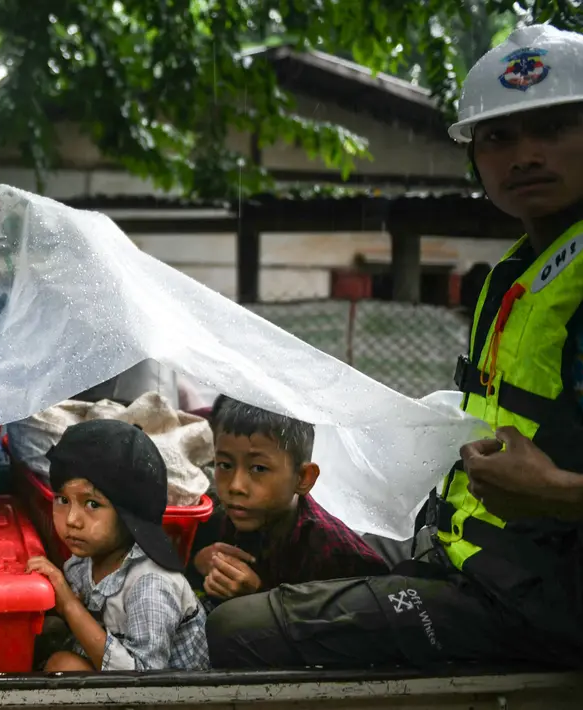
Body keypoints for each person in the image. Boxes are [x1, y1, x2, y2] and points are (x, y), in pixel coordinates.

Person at [207, 23, 583, 670]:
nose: (523, 154)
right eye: (497, 137)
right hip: (474, 559)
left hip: (538, 603)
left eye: (552, 129)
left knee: (235, 628)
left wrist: (557, 492)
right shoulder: (523, 269)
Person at [26, 420, 209, 672]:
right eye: (62, 499)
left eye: (92, 504)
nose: (71, 520)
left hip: (166, 696)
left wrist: (69, 605)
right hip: (115, 674)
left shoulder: (151, 584)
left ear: (129, 515)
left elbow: (143, 681)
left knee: (63, 667)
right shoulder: (84, 560)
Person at [188, 397, 389, 611]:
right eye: (225, 465)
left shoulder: (339, 557)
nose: (235, 486)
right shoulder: (216, 516)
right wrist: (198, 563)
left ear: (303, 478)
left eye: (258, 469)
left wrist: (261, 597)